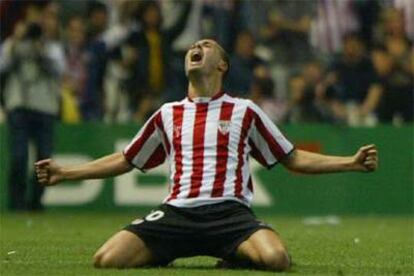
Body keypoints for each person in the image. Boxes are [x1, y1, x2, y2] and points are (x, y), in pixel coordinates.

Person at [35, 39, 378, 271]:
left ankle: (231, 251)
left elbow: (293, 158)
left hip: (230, 213)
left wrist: (349, 162)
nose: (197, 47)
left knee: (276, 259)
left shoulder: (244, 111)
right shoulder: (167, 113)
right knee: (106, 260)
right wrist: (67, 173)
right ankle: (171, 247)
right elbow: (126, 159)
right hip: (176, 214)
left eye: (207, 45)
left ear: (223, 66)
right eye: (194, 46)